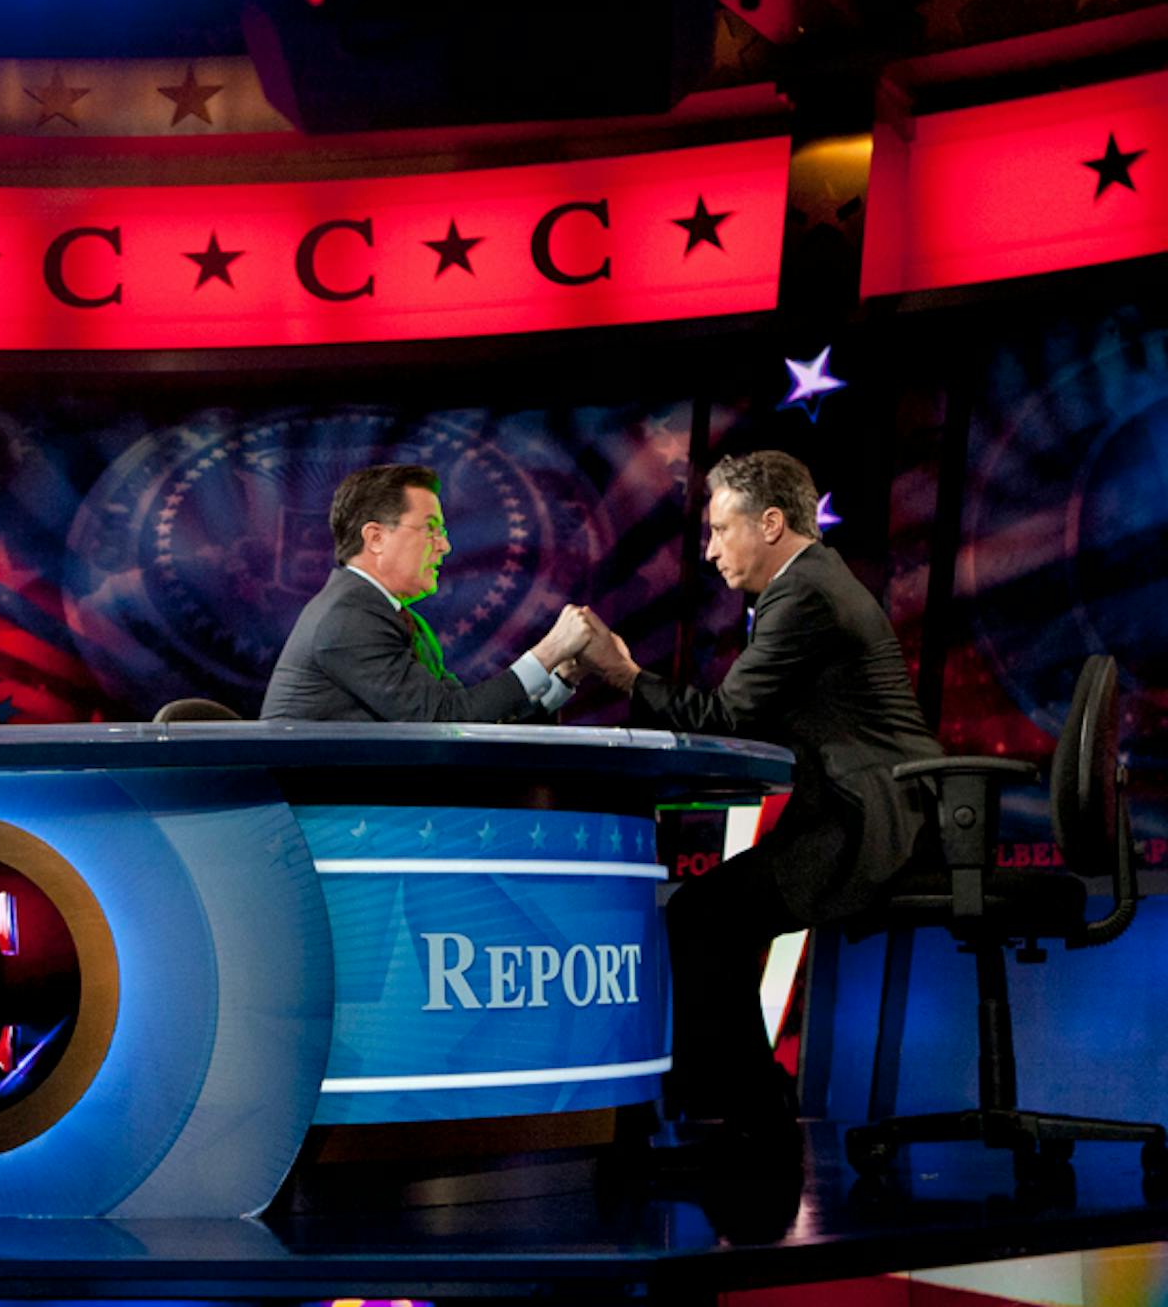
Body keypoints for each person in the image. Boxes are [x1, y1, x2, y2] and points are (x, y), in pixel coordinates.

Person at [573, 450, 938, 1151]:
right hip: (856, 809)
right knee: (710, 917)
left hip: (868, 821)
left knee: (705, 917)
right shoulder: (807, 588)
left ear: (770, 523)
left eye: (718, 530)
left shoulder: (804, 595)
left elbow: (728, 717)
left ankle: (745, 1118)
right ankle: (742, 1110)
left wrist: (624, 674)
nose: (709, 551)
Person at [261, 463, 592, 722]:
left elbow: (473, 720)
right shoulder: (347, 617)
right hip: (317, 806)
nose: (445, 546)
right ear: (375, 538)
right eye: (431, 530)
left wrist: (561, 677)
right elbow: (444, 721)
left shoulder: (397, 618)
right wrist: (552, 649)